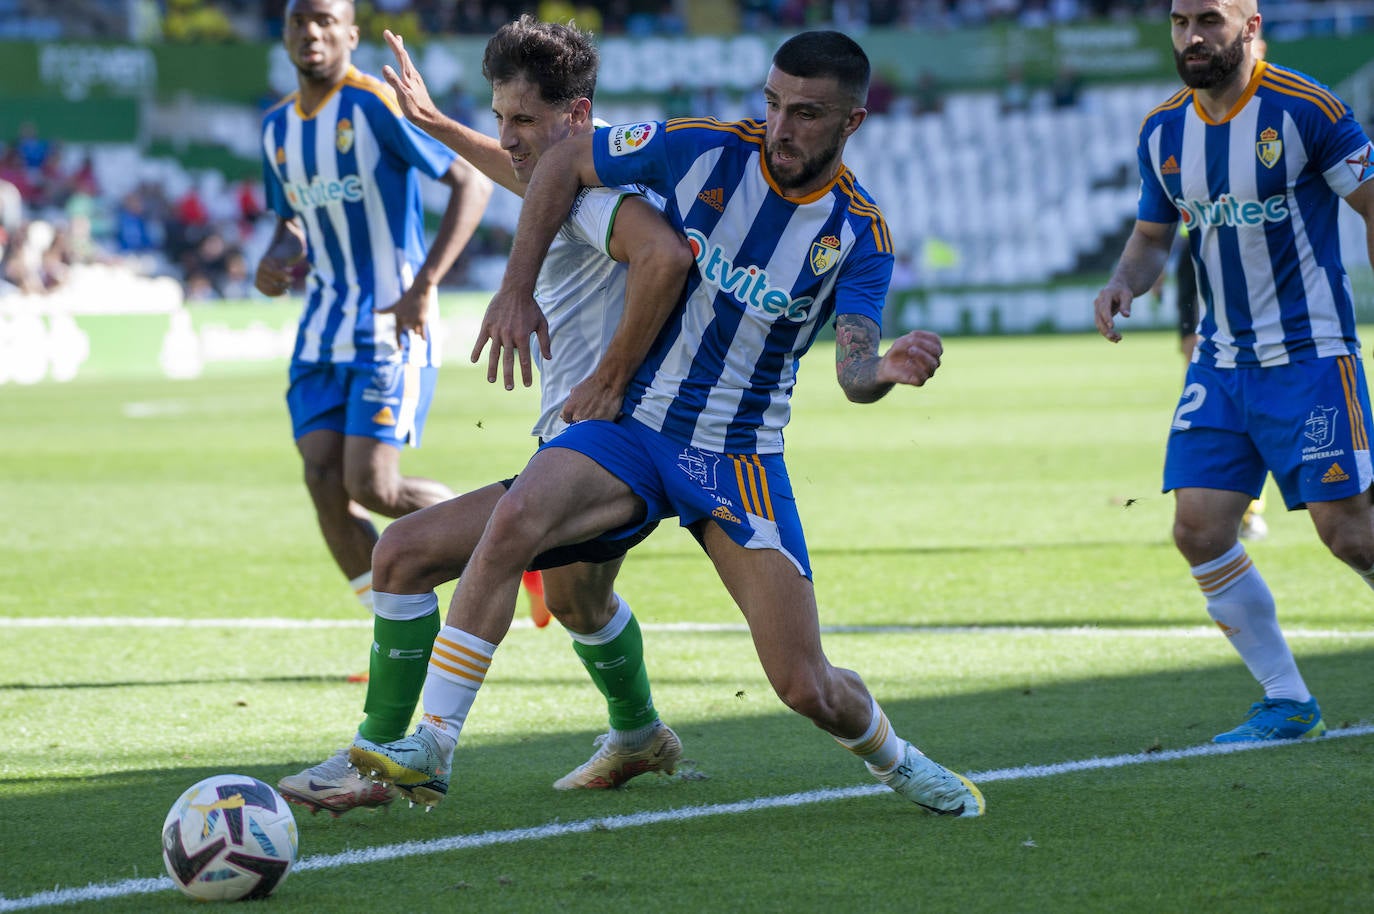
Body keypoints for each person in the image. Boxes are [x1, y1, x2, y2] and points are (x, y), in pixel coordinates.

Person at [351, 30, 986, 818]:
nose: (783, 128)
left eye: (808, 114)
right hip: (634, 428)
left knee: (804, 684)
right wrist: (515, 288)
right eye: (774, 104)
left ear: (850, 123)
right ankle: (434, 745)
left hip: (739, 459)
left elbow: (854, 367)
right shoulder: (700, 151)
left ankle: (899, 759)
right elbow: (560, 160)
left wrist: (880, 372)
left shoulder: (858, 236)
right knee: (516, 518)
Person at [277, 16, 694, 814]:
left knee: (400, 555)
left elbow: (661, 254)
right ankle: (640, 734)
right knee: (579, 602)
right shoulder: (579, 161)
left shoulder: (598, 192)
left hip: (601, 446)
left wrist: (610, 378)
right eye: (500, 116)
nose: (508, 137)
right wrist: (438, 125)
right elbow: (524, 178)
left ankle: (376, 761)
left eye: (522, 121)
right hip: (611, 443)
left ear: (575, 118)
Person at [1093, 0, 1374, 743]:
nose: (1192, 36)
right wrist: (1127, 281)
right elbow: (1153, 236)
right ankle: (1288, 702)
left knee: (1351, 537)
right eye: (1181, 21)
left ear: (1249, 27)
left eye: (1210, 21)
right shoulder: (1164, 129)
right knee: (1200, 529)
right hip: (1220, 365)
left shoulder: (1308, 109)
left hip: (1311, 359)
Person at [254, 0, 494, 619]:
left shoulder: (374, 105)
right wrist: (278, 257)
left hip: (391, 318)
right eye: (299, 21)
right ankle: (392, 627)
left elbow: (473, 182)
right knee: (322, 484)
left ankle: (515, 534)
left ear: (350, 35)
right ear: (285, 34)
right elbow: (292, 221)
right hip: (320, 329)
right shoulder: (276, 128)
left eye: (325, 20)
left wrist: (425, 285)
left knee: (374, 485)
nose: (311, 31)